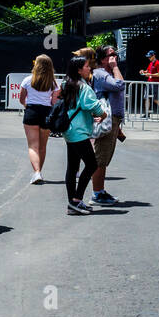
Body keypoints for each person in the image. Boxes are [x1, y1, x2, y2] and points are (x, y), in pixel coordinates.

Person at [59, 56, 107, 215]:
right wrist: (103, 114)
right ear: (79, 70)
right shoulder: (84, 87)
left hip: (69, 130)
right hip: (79, 132)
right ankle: (76, 200)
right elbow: (94, 106)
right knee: (92, 164)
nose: (89, 69)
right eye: (87, 66)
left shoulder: (66, 83)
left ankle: (72, 203)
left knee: (72, 167)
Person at [90, 45, 127, 206]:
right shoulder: (100, 74)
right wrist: (115, 67)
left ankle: (100, 191)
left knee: (104, 158)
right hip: (107, 120)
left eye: (116, 55)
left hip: (112, 120)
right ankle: (96, 194)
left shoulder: (106, 73)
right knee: (100, 158)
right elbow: (120, 84)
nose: (115, 57)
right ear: (102, 59)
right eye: (111, 55)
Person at [18, 54, 59, 185]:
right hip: (46, 113)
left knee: (33, 146)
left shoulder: (27, 80)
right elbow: (54, 102)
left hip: (31, 112)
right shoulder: (53, 83)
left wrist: (27, 106)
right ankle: (39, 171)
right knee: (42, 146)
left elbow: (21, 99)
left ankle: (36, 173)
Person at [139, 49, 159, 118]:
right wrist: (143, 72)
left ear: (153, 56)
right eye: (148, 57)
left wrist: (149, 74)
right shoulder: (151, 63)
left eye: (150, 57)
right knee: (146, 97)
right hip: (149, 82)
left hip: (155, 83)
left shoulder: (158, 63)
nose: (148, 58)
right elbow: (148, 71)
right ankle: (147, 113)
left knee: (155, 99)